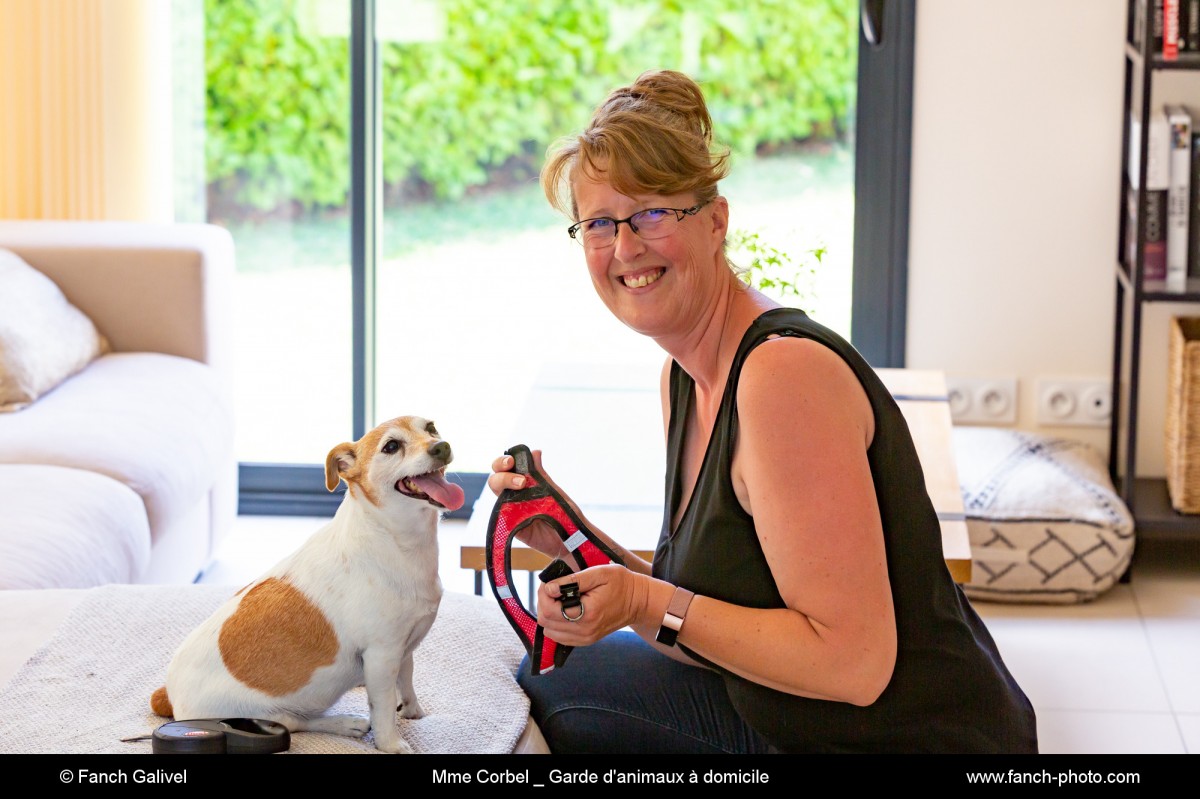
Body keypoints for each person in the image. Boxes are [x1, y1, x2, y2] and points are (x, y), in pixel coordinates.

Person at [487, 69, 1037, 754]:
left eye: (653, 212)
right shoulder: (683, 378)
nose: (625, 248)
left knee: (561, 694)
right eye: (599, 223)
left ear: (716, 221)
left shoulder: (782, 377)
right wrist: (575, 538)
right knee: (549, 674)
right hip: (792, 708)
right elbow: (708, 615)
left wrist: (638, 601)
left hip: (899, 736)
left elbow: (852, 665)